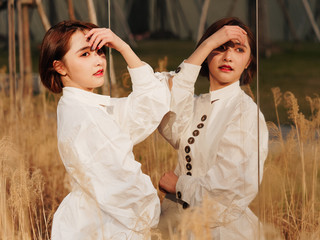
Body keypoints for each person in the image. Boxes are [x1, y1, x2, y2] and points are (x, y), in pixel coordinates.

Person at [39, 20, 175, 240]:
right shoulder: (83, 115)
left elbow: (147, 106)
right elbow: (121, 181)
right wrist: (153, 217)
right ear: (60, 67)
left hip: (103, 222)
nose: (98, 61)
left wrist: (123, 47)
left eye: (100, 51)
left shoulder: (92, 107)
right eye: (85, 54)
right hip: (101, 226)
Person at [158, 17, 269, 239]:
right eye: (220, 48)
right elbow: (166, 107)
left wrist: (179, 184)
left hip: (223, 231)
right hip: (178, 227)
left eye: (239, 49)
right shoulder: (196, 104)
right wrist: (206, 45)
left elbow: (229, 191)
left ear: (248, 61)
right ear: (206, 55)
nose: (228, 56)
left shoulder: (245, 113)